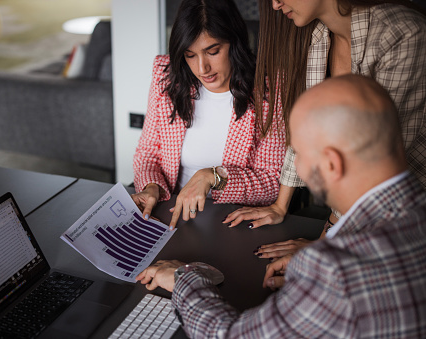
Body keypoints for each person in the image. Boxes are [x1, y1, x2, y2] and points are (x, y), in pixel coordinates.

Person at [136, 75, 426, 337]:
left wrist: (183, 278)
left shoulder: (336, 271)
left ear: (330, 163)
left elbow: (232, 335)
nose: (295, 164)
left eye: (297, 151)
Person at [224, 0, 426, 238]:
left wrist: (325, 242)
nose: (276, 4)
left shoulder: (403, 33)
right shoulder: (321, 37)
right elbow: (307, 128)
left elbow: (372, 160)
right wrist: (280, 205)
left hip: (407, 215)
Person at [132, 0, 286, 229]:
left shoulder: (270, 89)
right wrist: (152, 186)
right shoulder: (167, 76)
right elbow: (147, 154)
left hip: (234, 220)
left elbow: (273, 180)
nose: (202, 68)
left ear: (234, 42)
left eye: (212, 51)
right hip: (171, 212)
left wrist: (214, 176)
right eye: (190, 55)